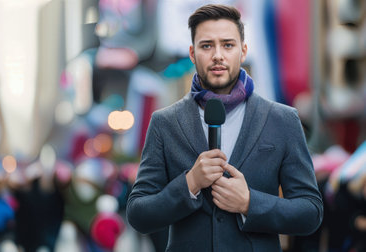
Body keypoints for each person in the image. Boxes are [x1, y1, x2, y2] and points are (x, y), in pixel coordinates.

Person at [126, 4, 323, 251]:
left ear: (243, 51)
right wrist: (190, 183)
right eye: (206, 45)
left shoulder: (282, 119)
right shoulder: (164, 123)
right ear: (192, 53)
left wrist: (250, 203)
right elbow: (138, 214)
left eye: (227, 45)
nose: (217, 55)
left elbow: (311, 212)